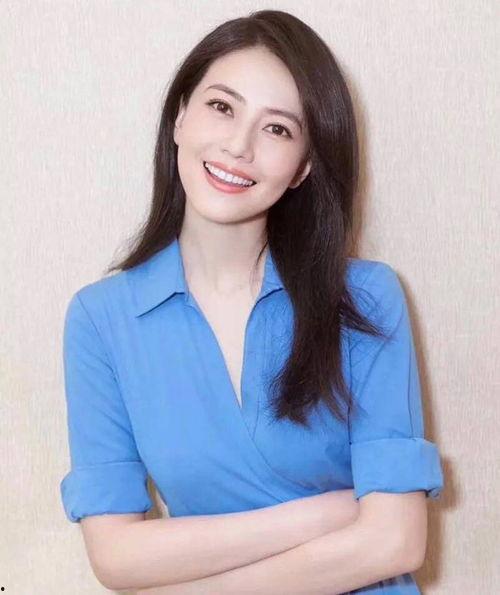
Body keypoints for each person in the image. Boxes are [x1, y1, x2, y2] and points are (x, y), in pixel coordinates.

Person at [59, 9, 444, 594]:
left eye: (278, 129)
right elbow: (116, 555)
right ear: (180, 116)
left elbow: (396, 542)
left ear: (303, 166)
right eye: (222, 106)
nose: (239, 146)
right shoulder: (100, 320)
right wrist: (328, 513)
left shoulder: (365, 298)